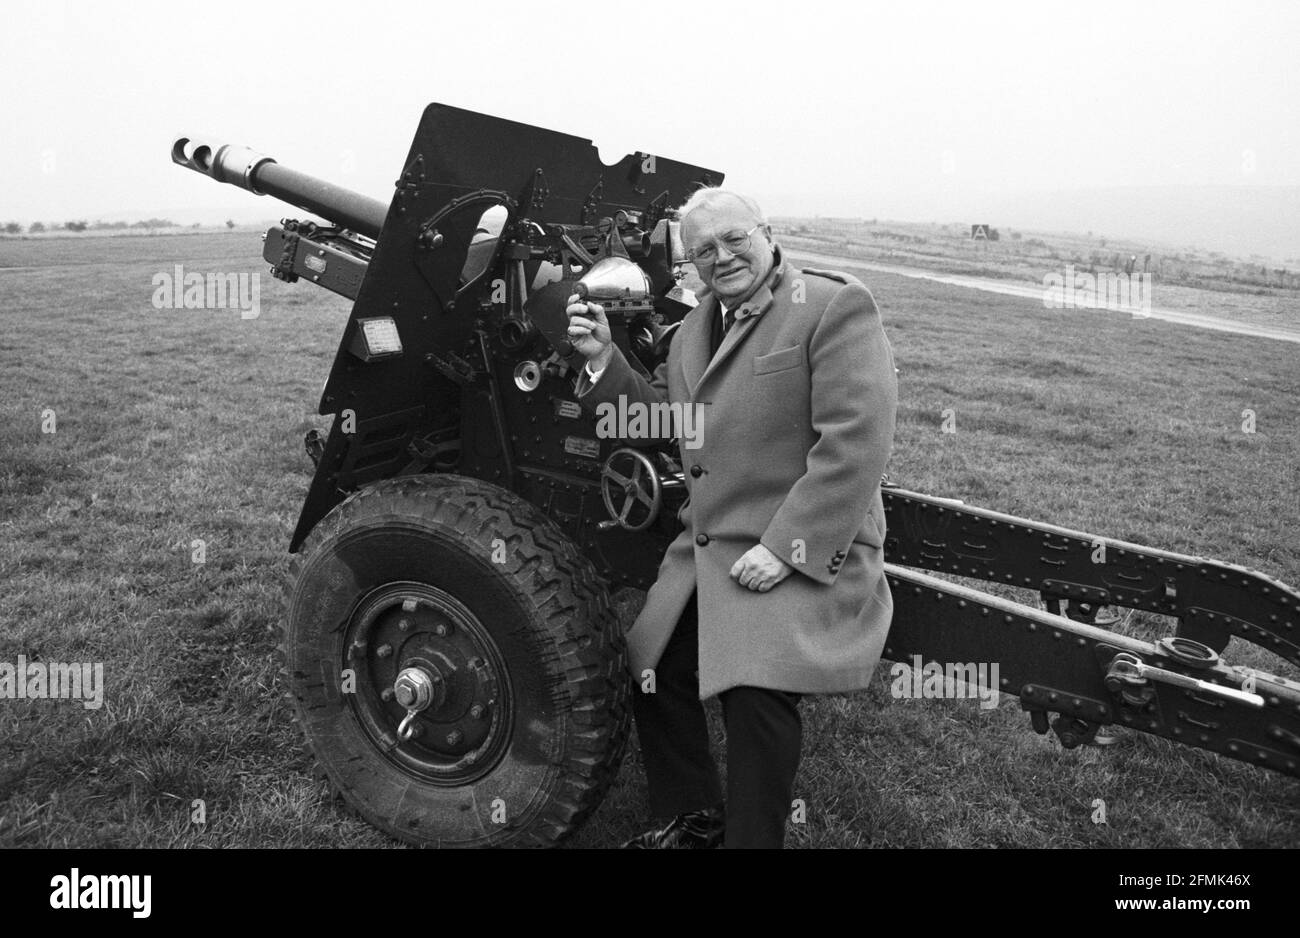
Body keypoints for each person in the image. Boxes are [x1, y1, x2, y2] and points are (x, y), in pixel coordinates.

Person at [566, 188, 898, 848]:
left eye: (734, 240)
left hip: (801, 541)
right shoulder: (693, 330)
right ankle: (692, 820)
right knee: (652, 669)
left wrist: (785, 548)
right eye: (703, 251)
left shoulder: (831, 307)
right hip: (715, 547)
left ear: (767, 234)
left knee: (755, 688)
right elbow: (664, 421)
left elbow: (857, 441)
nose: (722, 258)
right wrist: (605, 360)